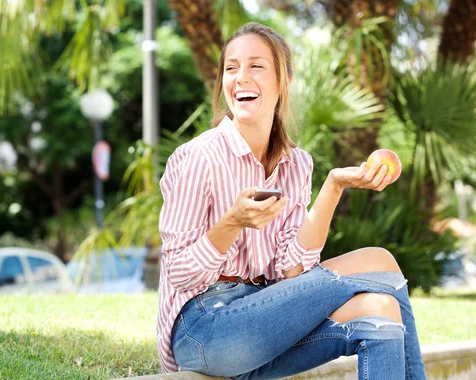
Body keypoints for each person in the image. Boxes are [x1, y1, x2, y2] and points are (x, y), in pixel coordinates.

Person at [156, 21, 426, 380]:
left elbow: (292, 269)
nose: (241, 77)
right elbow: (178, 272)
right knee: (379, 262)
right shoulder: (199, 156)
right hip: (208, 331)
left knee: (381, 307)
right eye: (232, 68)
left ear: (283, 81)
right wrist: (232, 221)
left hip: (269, 327)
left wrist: (333, 187)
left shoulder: (298, 164)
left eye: (256, 66)